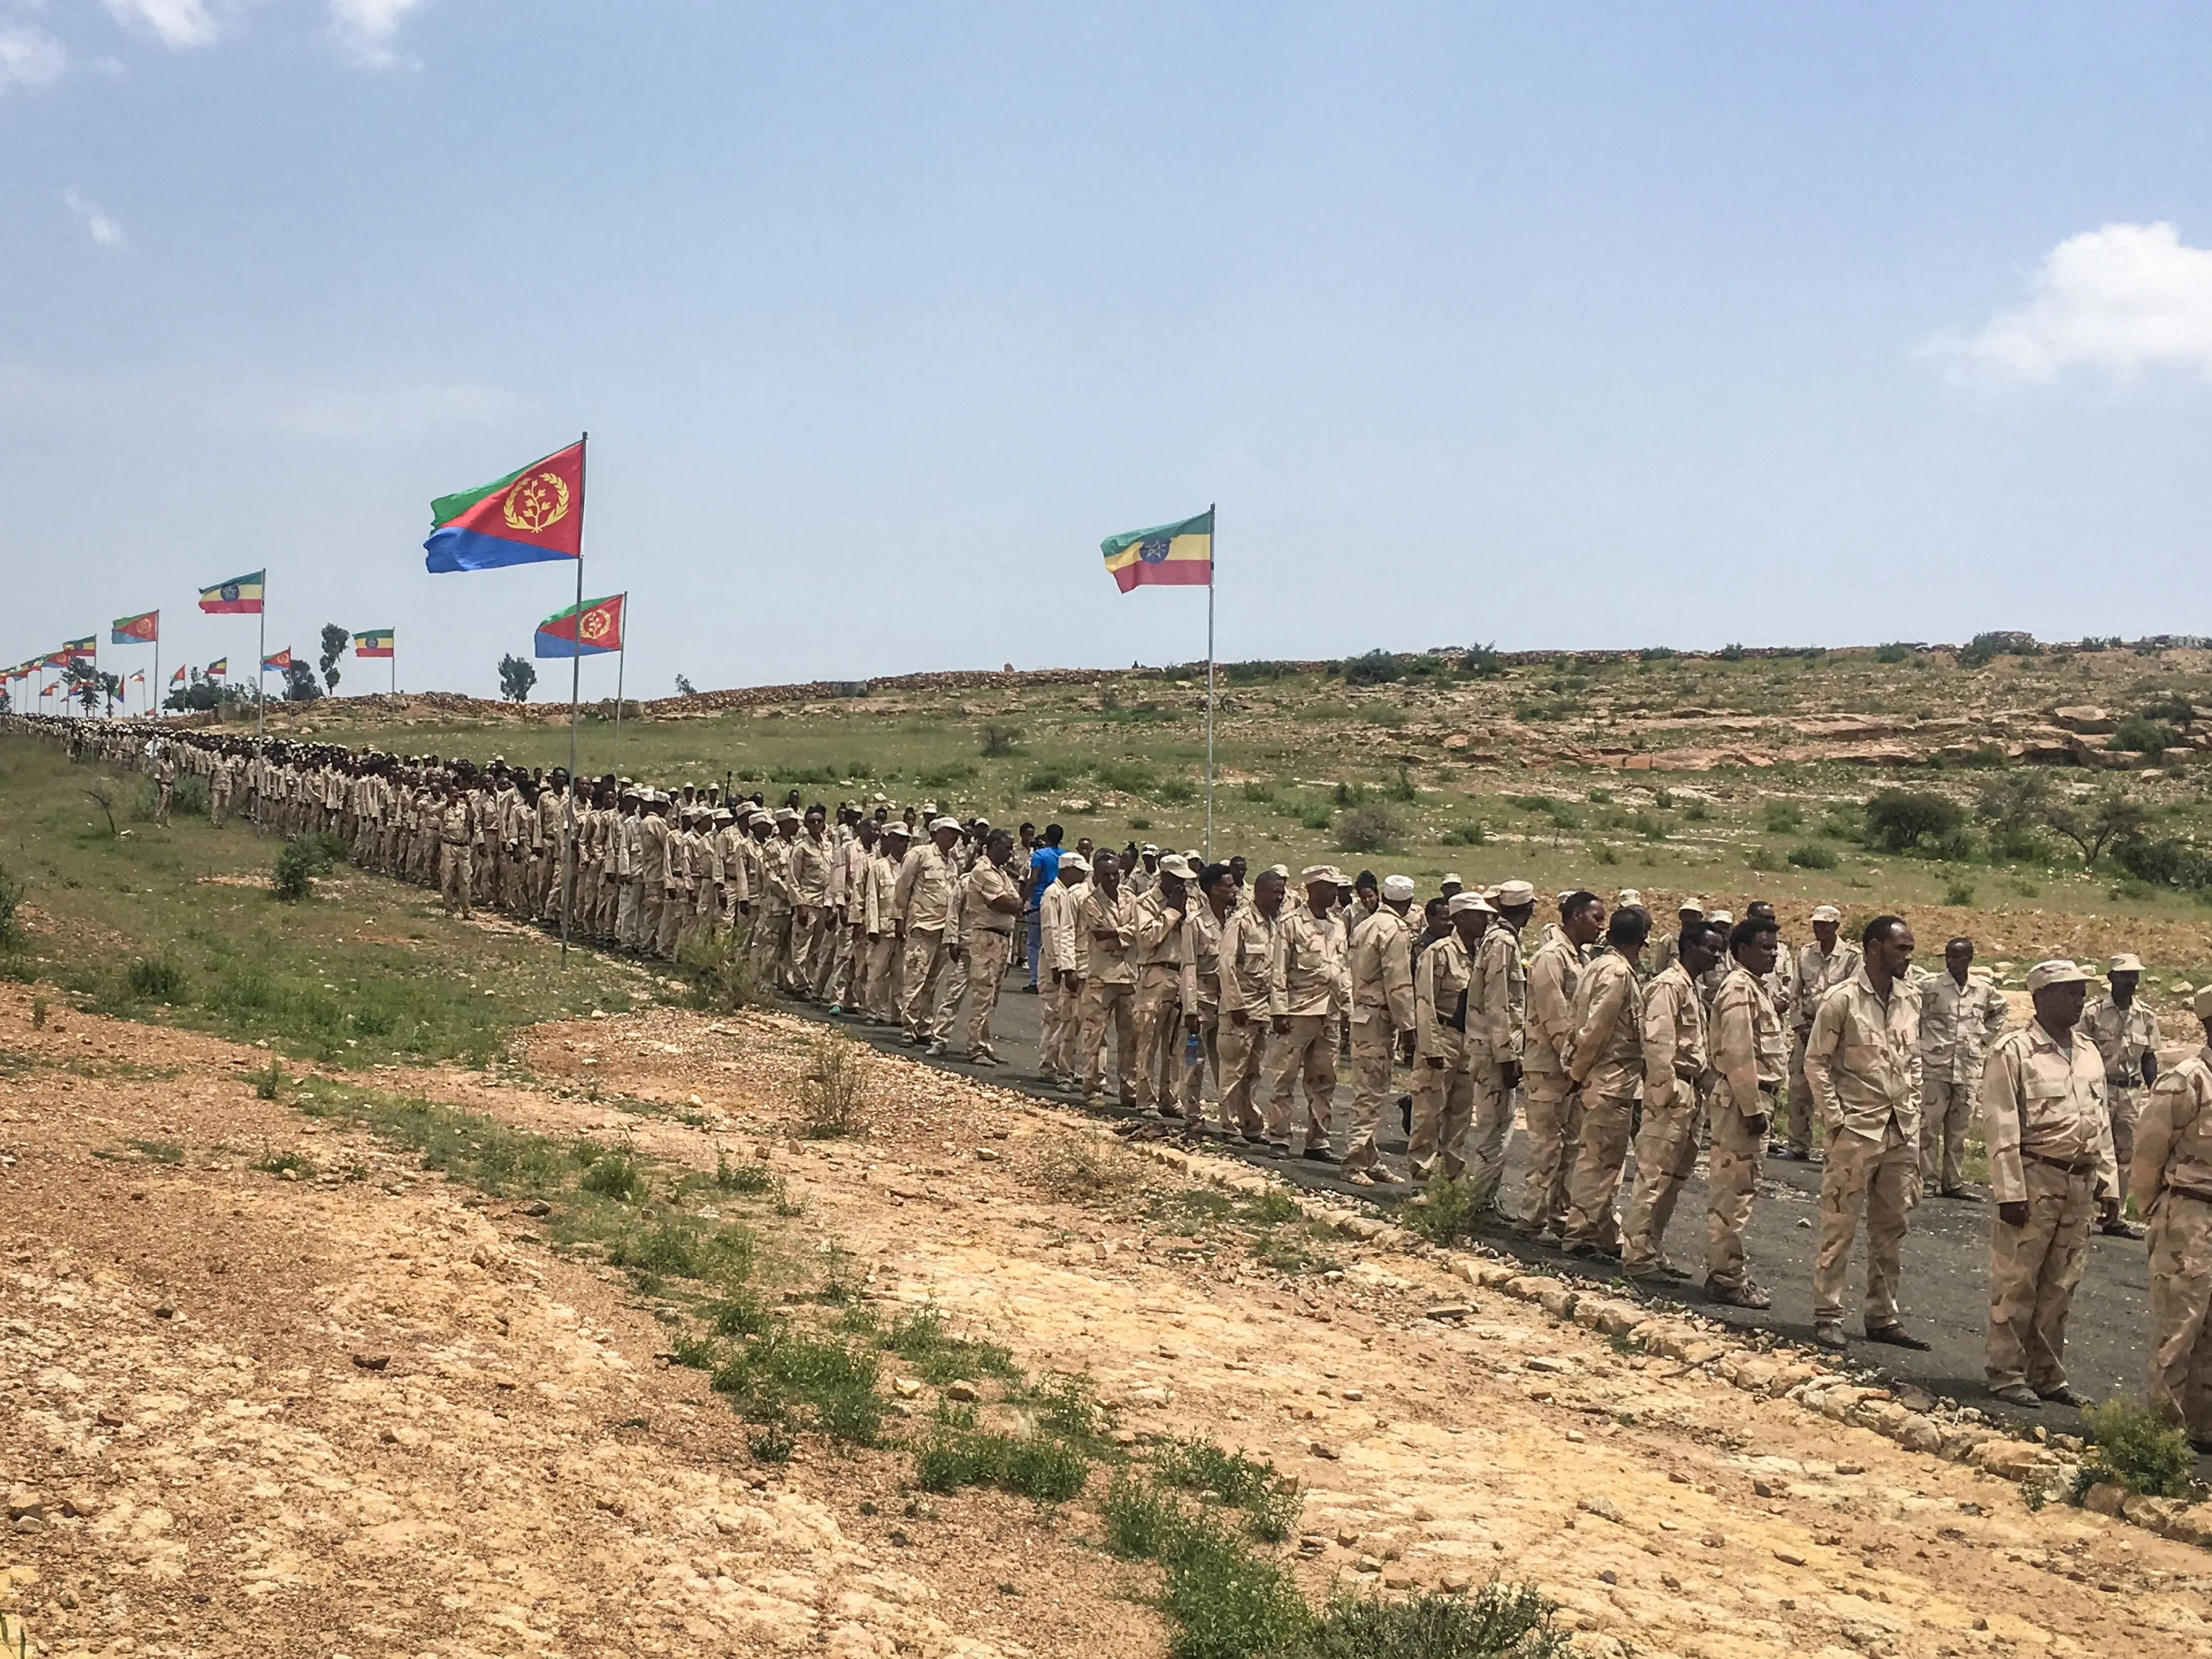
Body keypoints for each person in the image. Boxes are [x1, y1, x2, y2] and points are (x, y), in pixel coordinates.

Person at [1981, 959, 2117, 1409]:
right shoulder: (2014, 1051)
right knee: (2018, 1278)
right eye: (2069, 991)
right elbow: (2001, 1124)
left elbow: (2102, 1122)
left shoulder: (2088, 1051)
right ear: (2041, 997)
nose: (2080, 999)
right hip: (2035, 1175)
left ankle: (2047, 1373)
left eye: (2081, 991)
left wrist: (2110, 1183)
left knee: (2062, 1281)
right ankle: (2006, 1371)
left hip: (2080, 1180)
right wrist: (2010, 1190)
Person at [1804, 915, 1926, 1352]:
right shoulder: (1842, 1000)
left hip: (1899, 1131)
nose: (1908, 957)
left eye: (1910, 949)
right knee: (1840, 1225)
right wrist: (1837, 1119)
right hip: (1856, 1130)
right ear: (1875, 948)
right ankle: (1828, 1314)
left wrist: (1913, 1110)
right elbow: (1816, 1063)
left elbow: (1913, 1060)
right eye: (1901, 948)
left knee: (1892, 1228)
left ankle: (1882, 1314)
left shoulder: (1910, 998)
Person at [2133, 988, 2212, 1450]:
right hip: (2189, 1214)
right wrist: (2155, 1212)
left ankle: (2203, 1429)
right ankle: (2161, 1436)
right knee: (2179, 1330)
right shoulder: (2186, 1081)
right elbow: (2147, 1156)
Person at [1621, 919, 1722, 1282]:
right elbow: (1658, 1043)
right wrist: (1666, 1093)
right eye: (1711, 948)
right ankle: (1636, 1255)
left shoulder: (1690, 987)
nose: (1717, 955)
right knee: (1653, 1176)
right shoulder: (1668, 985)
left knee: (1675, 1179)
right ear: (1691, 946)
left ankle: (1653, 1247)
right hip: (1673, 1090)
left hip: (1692, 1090)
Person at [1561, 905, 1651, 1257]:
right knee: (1599, 1162)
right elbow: (1596, 1030)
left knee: (1605, 1162)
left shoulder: (1599, 965)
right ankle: (1580, 1234)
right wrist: (1578, 1072)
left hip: (1607, 1079)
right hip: (1611, 1079)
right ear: (1642, 939)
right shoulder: (1616, 974)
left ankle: (1598, 1231)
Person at [1706, 914, 1784, 1308]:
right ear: (1741, 951)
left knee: (1741, 1189)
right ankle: (1726, 1276)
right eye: (1765, 947)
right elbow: (1738, 1051)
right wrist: (1753, 1107)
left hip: (1752, 1097)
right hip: (1742, 1102)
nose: (1773, 954)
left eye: (1775, 947)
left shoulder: (1756, 987)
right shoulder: (1739, 988)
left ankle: (1727, 1271)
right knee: (1734, 1192)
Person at [1518, 890, 1603, 1239]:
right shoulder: (1551, 958)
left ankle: (1558, 1215)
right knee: (1546, 1145)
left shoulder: (1580, 958)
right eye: (1596, 918)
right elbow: (1556, 1017)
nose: (1602, 925)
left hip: (1570, 1068)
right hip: (1550, 1065)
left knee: (1570, 1145)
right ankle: (1530, 1218)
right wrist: (1573, 1064)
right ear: (1576, 916)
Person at [1260, 866, 1352, 1160]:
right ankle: (1279, 1136)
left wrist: (1348, 1009)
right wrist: (1279, 1010)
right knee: (1284, 1076)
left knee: (1325, 1078)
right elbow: (1278, 971)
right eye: (1329, 887)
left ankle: (1318, 1142)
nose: (1335, 893)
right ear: (1313, 889)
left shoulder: (1338, 926)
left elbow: (1344, 970)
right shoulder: (1290, 924)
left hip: (1330, 1012)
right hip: (1298, 1011)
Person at [1918, 936, 2009, 1200]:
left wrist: (1984, 1038)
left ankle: (1953, 1182)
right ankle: (1927, 1181)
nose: (1951, 962)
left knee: (1959, 1132)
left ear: (1969, 959)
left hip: (1967, 1068)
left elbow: (2001, 1010)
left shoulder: (1983, 989)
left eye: (1957, 957)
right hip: (1934, 1068)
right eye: (1948, 956)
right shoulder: (1931, 987)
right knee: (1929, 1127)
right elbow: (1911, 1012)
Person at [1464, 880, 1534, 1212]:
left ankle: (1482, 1199)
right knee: (1495, 1130)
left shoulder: (1498, 939)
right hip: (1493, 1052)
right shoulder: (1503, 942)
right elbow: (1499, 1002)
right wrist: (1508, 1055)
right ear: (1529, 909)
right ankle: (1477, 1203)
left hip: (1489, 1047)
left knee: (1496, 1126)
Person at [1343, 874, 1418, 1184]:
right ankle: (1353, 1161)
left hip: (1363, 1013)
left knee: (1372, 1087)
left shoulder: (1366, 925)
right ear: (1409, 902)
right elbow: (1398, 983)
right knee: (1371, 1091)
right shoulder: (1395, 930)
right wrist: (1410, 1027)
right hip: (1378, 1018)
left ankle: (1370, 1157)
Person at [1410, 893, 1487, 1183]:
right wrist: (1430, 1045)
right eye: (1478, 915)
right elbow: (1425, 1000)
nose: (1484, 920)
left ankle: (1452, 1179)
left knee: (1461, 1114)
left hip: (1469, 1040)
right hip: (1442, 1036)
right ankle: (1421, 1176)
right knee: (1429, 1112)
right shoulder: (1439, 952)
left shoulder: (1480, 953)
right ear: (1460, 917)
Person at [2083, 953, 2160, 1238]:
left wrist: (2156, 1091)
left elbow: (2149, 1057)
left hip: (2130, 1092)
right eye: (2125, 976)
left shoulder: (2146, 1016)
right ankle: (2088, 1211)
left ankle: (2115, 1216)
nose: (2131, 981)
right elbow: (2079, 1051)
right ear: (2111, 978)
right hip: (2099, 1089)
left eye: (2134, 976)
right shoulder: (2092, 1013)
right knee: (2093, 1149)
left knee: (2125, 1155)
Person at [1780, 903, 1861, 1160]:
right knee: (1800, 1087)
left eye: (1825, 925)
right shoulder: (1804, 955)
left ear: (1836, 926)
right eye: (1816, 924)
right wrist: (1799, 1026)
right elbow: (1795, 994)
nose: (1819, 929)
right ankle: (1797, 1145)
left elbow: (1854, 995)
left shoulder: (1851, 957)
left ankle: (1834, 1147)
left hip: (1837, 1032)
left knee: (1836, 1089)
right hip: (1808, 1026)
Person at [1215, 866, 1285, 1139]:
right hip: (1240, 1010)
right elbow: (1226, 964)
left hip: (1263, 1009)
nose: (1279, 898)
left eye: (1282, 893)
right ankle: (1228, 1123)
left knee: (1254, 1071)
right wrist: (1235, 1005)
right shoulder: (1241, 921)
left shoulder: (1275, 925)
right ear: (1260, 892)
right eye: (1275, 893)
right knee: (1233, 1069)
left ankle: (1250, 1123)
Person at [1129, 853, 1199, 1113]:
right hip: (1155, 973)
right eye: (1179, 880)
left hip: (1181, 974)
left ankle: (1170, 1097)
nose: (1184, 886)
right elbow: (1147, 940)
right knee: (1148, 1039)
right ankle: (1145, 1099)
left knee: (1175, 1043)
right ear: (1166, 877)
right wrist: (1170, 912)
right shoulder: (1145, 902)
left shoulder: (1189, 903)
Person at [952, 827, 1022, 1064]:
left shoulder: (1000, 873)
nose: (1009, 854)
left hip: (1001, 939)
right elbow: (1006, 903)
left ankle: (984, 1042)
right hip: (986, 938)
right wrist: (1014, 902)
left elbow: (1017, 900)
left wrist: (1015, 901)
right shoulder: (983, 871)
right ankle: (974, 1047)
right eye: (1005, 848)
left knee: (992, 996)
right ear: (991, 847)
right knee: (982, 994)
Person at [1076, 849, 1139, 1105]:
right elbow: (1100, 934)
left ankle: (1130, 1089)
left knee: (1131, 1037)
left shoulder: (1130, 898)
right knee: (1095, 1035)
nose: (1113, 879)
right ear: (1097, 876)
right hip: (1101, 976)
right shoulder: (1090, 902)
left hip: (1130, 976)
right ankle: (1093, 1087)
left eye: (1116, 874)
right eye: (1107, 875)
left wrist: (1120, 933)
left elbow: (1140, 930)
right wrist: (1125, 933)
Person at [894, 816, 965, 1045]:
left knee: (932, 981)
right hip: (922, 925)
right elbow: (903, 886)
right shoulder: (920, 855)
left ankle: (924, 1025)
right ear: (936, 833)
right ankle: (909, 1026)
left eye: (956, 835)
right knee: (915, 976)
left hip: (943, 928)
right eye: (949, 832)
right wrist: (903, 917)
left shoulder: (952, 863)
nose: (954, 838)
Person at [1036, 853, 1088, 1085]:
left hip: (1066, 961)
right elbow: (1051, 930)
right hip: (1052, 963)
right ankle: (1048, 1063)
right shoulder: (1052, 894)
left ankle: (1059, 1061)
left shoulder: (1070, 895)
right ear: (1067, 870)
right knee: (1053, 1014)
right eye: (1079, 871)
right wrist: (1058, 965)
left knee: (1067, 1014)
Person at [1024, 823, 1064, 992]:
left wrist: (1024, 898)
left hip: (1039, 899)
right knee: (1054, 941)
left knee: (1034, 943)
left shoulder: (1039, 855)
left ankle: (1035, 980)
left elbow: (1034, 878)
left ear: (1046, 837)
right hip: (1059, 900)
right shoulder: (1065, 855)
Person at [1648, 897, 1705, 978]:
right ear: (1680, 917)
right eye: (1685, 916)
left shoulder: (1709, 942)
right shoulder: (1669, 941)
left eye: (1693, 916)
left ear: (1701, 918)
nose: (1689, 920)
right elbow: (1658, 971)